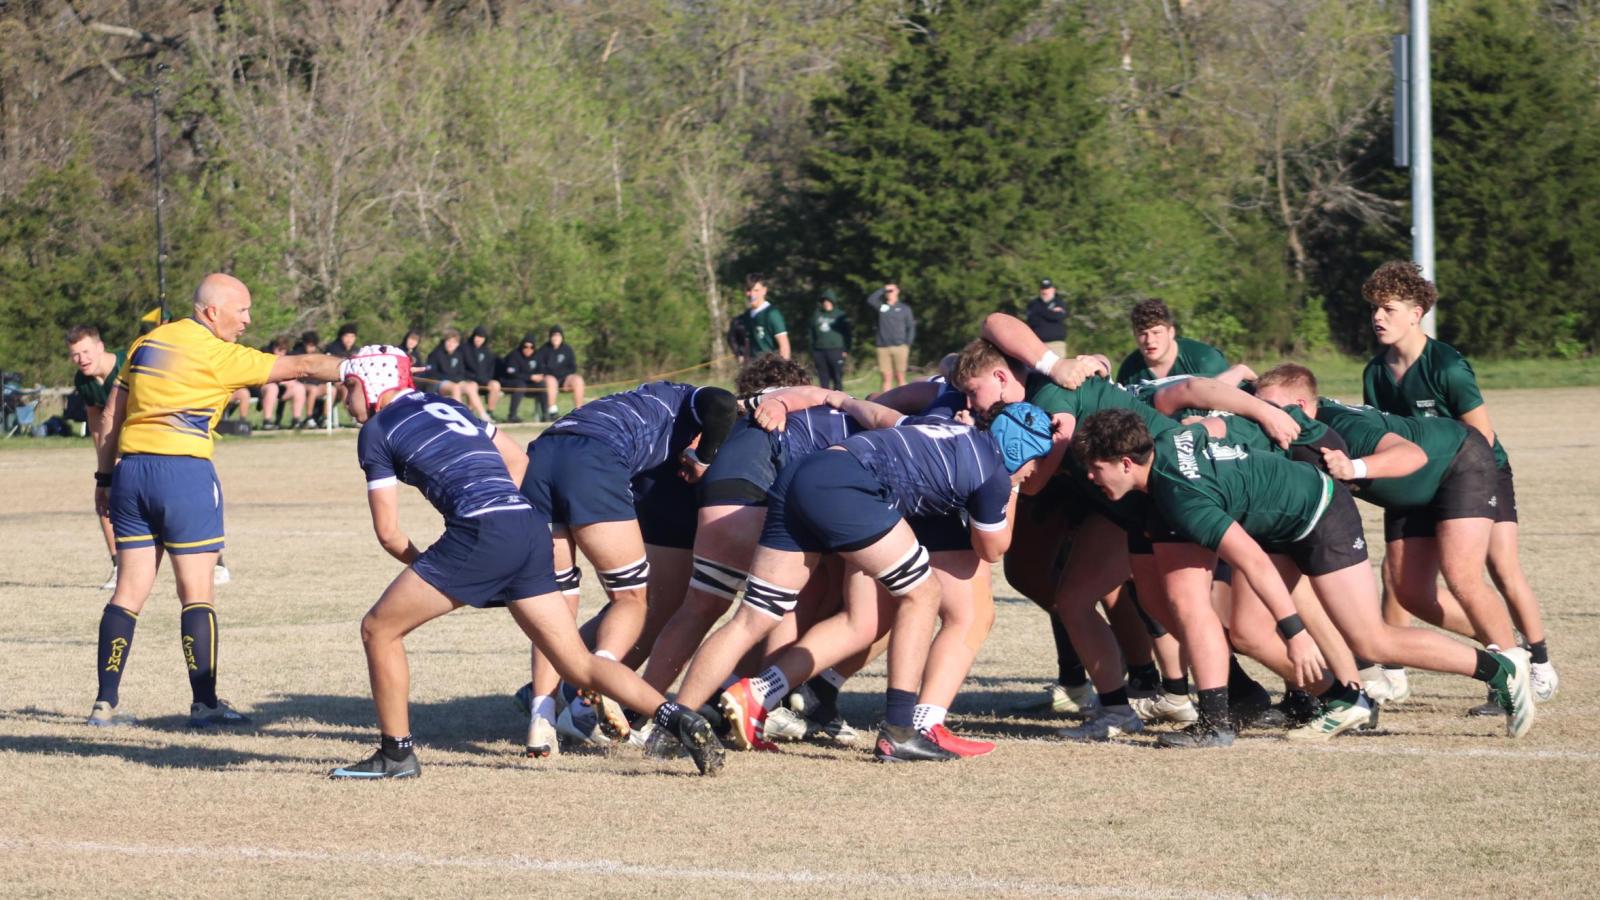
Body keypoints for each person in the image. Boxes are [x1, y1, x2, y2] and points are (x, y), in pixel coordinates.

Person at [327, 345, 722, 778]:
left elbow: (388, 533)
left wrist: (432, 565)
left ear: (371, 384)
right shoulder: (448, 405)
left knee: (379, 629)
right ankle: (679, 719)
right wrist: (504, 514)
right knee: (577, 663)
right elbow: (517, 458)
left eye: (349, 387)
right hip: (527, 527)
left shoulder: (377, 429)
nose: (345, 399)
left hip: (482, 533)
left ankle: (396, 755)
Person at [1074, 408, 1535, 746]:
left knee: (1372, 641)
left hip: (1320, 515)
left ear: (1127, 463)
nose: (1092, 478)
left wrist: (1295, 632)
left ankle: (1500, 668)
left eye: (1096, 468)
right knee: (1249, 632)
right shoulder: (1165, 442)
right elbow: (1210, 426)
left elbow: (1252, 561)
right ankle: (1338, 700)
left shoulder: (1182, 495)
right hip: (1276, 520)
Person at [679, 402, 1056, 762]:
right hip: (848, 487)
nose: (1035, 470)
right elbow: (993, 549)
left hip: (806, 472)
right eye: (1035, 459)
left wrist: (839, 399)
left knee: (755, 615)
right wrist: (1011, 487)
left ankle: (678, 723)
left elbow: (883, 417)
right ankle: (899, 731)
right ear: (1019, 449)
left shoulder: (945, 427)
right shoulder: (993, 474)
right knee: (923, 594)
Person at [88, 274, 345, 728]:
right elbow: (305, 366)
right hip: (183, 474)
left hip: (130, 474)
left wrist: (104, 479)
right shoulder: (219, 354)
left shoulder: (146, 344)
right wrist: (360, 367)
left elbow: (111, 414)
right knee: (197, 593)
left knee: (127, 592)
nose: (247, 320)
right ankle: (204, 704)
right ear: (211, 312)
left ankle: (104, 705)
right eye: (241, 310)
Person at [1360, 261, 1558, 708]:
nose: (1378, 317)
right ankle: (1508, 651)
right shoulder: (1375, 372)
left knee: (1497, 569)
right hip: (1417, 478)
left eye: (1389, 309)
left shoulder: (1447, 365)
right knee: (1405, 586)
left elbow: (1481, 437)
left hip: (1477, 471)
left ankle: (1538, 663)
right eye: (1374, 309)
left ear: (1416, 313)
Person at [518, 380, 739, 748]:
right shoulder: (685, 398)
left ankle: (541, 722)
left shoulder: (633, 399)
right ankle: (603, 675)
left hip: (541, 454)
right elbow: (722, 402)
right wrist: (705, 457)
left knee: (554, 601)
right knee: (632, 598)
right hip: (593, 457)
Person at [67, 325, 125, 590]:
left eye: (86, 351)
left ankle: (215, 563)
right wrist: (104, 465)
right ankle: (118, 566)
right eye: (75, 354)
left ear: (101, 347)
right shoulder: (84, 381)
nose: (81, 359)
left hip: (146, 442)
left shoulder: (127, 365)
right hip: (116, 446)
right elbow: (95, 419)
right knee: (105, 499)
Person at [1114, 298, 1229, 386]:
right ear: (1135, 335)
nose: (1149, 340)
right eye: (1142, 334)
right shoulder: (1128, 371)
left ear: (1171, 332)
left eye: (1156, 332)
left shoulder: (1206, 360)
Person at [729, 274, 790, 363]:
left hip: (770, 365)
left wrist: (784, 367)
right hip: (752, 366)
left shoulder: (772, 314)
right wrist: (740, 356)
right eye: (749, 290)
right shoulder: (746, 316)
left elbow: (784, 346)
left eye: (756, 290)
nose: (752, 294)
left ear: (764, 290)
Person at [870, 282, 915, 393]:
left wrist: (907, 344)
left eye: (892, 290)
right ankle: (886, 401)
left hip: (900, 347)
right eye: (887, 291)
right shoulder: (881, 307)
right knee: (886, 378)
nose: (889, 293)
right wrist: (883, 289)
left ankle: (905, 401)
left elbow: (910, 326)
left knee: (900, 377)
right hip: (883, 347)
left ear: (897, 291)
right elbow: (871, 300)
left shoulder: (904, 308)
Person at [258, 335, 309, 431]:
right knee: (272, 388)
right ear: (274, 347)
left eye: (283, 350)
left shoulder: (289, 357)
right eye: (279, 349)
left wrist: (289, 381)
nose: (280, 353)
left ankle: (296, 420)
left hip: (282, 389)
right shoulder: (264, 354)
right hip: (264, 387)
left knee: (299, 388)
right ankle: (267, 421)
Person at [533, 326, 584, 420]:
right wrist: (551, 373)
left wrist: (562, 375)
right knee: (551, 380)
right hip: (549, 379)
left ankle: (579, 411)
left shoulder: (567, 349)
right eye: (554, 336)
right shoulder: (543, 350)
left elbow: (572, 367)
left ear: (562, 337)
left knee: (578, 380)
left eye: (558, 336)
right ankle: (553, 412)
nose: (556, 338)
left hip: (565, 379)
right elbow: (540, 367)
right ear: (550, 337)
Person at [807, 289, 852, 390]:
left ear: (833, 302)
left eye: (829, 301)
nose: (826, 303)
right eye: (824, 301)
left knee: (837, 376)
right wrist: (812, 349)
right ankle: (825, 398)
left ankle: (839, 397)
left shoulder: (840, 315)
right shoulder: (816, 315)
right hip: (819, 351)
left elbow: (848, 334)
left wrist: (846, 349)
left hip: (836, 349)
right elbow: (811, 333)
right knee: (823, 378)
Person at [498, 333, 542, 423]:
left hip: (526, 382)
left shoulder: (537, 356)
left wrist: (540, 376)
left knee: (542, 385)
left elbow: (542, 369)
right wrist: (530, 377)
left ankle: (546, 415)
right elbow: (512, 373)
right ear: (522, 346)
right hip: (507, 381)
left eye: (531, 347)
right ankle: (512, 416)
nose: (528, 349)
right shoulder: (514, 355)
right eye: (526, 346)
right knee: (520, 386)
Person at [460, 325, 501, 421]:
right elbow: (462, 367)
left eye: (482, 337)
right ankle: (470, 413)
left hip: (484, 380)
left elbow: (490, 369)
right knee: (473, 385)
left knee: (495, 385)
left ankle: (490, 412)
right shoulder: (464, 349)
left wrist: (487, 380)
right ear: (473, 336)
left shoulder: (488, 351)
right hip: (469, 379)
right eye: (477, 336)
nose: (479, 339)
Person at [424, 329, 471, 409]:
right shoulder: (436, 353)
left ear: (457, 344)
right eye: (448, 341)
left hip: (454, 382)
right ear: (445, 342)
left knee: (471, 387)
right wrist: (451, 378)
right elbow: (432, 373)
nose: (450, 344)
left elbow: (462, 373)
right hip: (438, 383)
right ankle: (459, 412)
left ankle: (479, 413)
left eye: (453, 342)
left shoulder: (458, 355)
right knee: (455, 387)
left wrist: (455, 379)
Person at [1024, 278, 1068, 358]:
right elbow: (1032, 320)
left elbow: (1057, 316)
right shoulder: (1033, 303)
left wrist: (1040, 312)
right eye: (1043, 289)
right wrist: (1050, 312)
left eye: (1047, 289)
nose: (1045, 292)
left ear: (1053, 290)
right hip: (1038, 344)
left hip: (1056, 344)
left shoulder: (1059, 302)